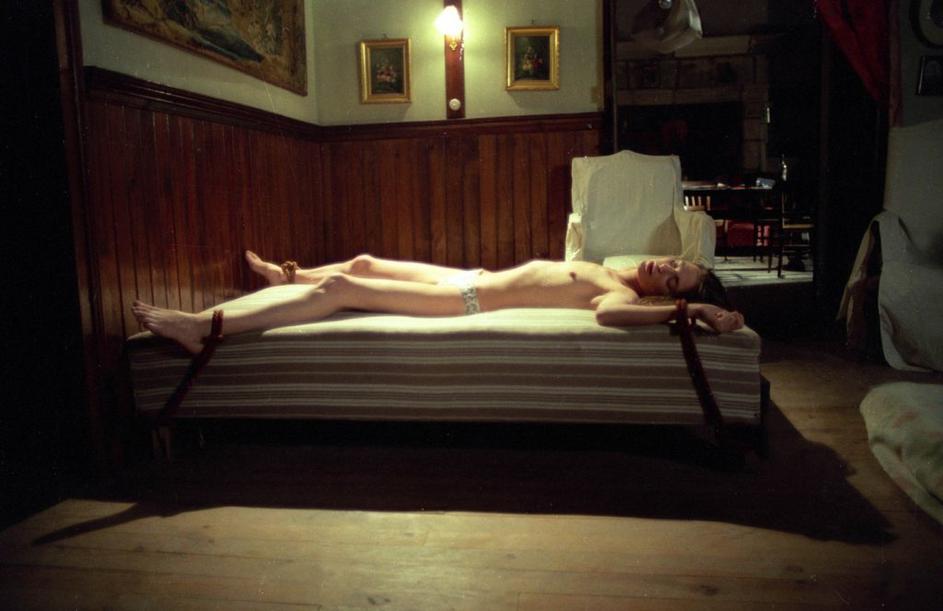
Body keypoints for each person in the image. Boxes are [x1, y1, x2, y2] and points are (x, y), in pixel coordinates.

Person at [132, 251, 744, 354]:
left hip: (468, 301)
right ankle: (284, 276)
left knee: (343, 290)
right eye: (675, 263)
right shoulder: (614, 263)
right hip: (474, 276)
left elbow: (609, 316)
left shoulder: (620, 293)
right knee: (363, 264)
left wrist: (692, 311)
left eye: (674, 282)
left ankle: (204, 328)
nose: (666, 270)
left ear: (665, 298)